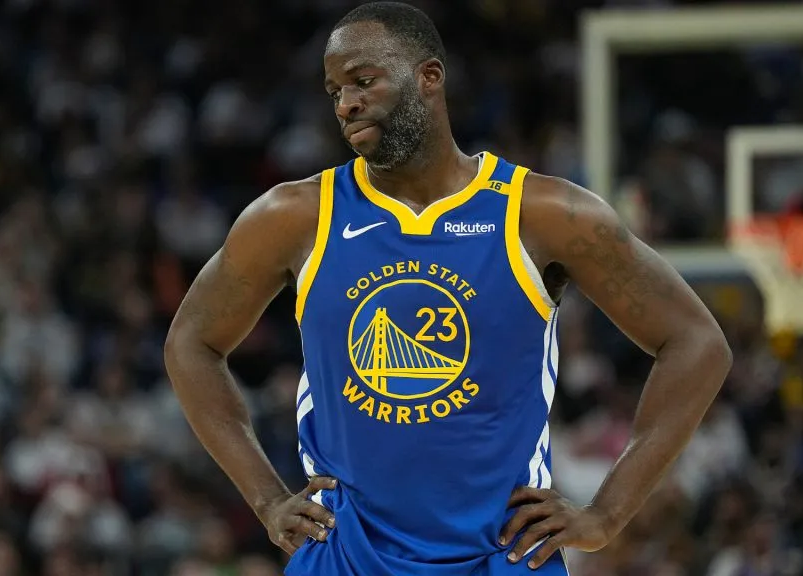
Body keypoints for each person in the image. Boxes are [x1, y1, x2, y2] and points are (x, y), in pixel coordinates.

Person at [163, 2, 732, 575]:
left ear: (429, 77)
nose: (345, 104)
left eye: (363, 81)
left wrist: (607, 514)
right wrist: (266, 499)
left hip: (503, 553)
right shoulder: (294, 216)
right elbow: (191, 343)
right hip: (344, 555)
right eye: (334, 91)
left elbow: (697, 344)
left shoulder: (544, 214)